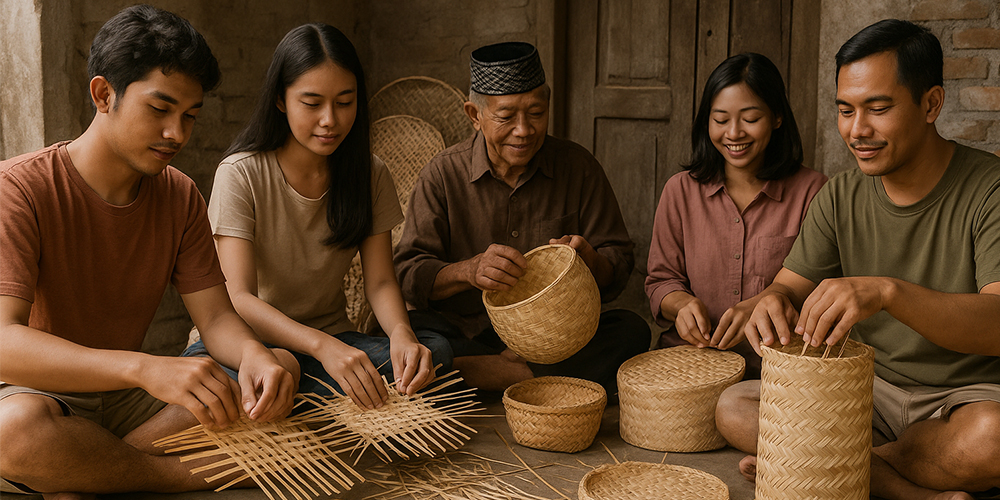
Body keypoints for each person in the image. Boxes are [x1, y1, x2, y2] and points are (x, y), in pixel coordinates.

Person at [0, 5, 299, 498]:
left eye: (190, 116)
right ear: (103, 94)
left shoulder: (179, 195)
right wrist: (143, 367)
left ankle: (91, 471)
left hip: (125, 403)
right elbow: (5, 343)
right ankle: (165, 476)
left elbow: (218, 320)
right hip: (39, 396)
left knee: (280, 367)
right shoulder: (20, 188)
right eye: (160, 110)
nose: (177, 134)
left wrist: (253, 357)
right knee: (15, 432)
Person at [715, 19, 1000, 500]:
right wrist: (771, 301)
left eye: (878, 108)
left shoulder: (989, 188)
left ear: (931, 104)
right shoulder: (840, 195)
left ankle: (822, 468)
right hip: (865, 393)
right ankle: (911, 491)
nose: (857, 130)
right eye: (845, 110)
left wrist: (888, 292)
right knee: (735, 406)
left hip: (964, 399)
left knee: (992, 440)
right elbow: (786, 287)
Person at [183, 23, 452, 411]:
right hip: (250, 344)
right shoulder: (240, 173)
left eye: (345, 102)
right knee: (246, 376)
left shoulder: (370, 173)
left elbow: (379, 281)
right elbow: (238, 298)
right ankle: (303, 393)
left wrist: (401, 335)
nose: (330, 119)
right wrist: (322, 346)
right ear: (280, 100)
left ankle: (295, 398)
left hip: (333, 341)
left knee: (433, 351)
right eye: (312, 103)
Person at [394, 41, 650, 394]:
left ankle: (490, 376)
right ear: (474, 115)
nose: (524, 130)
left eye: (536, 112)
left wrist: (586, 259)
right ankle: (537, 380)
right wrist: (469, 270)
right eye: (506, 116)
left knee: (631, 330)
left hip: (554, 339)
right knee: (420, 343)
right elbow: (408, 273)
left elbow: (618, 265)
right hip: (464, 331)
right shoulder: (442, 175)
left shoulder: (578, 167)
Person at [645, 53, 827, 379]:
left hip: (774, 372)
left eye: (750, 118)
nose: (734, 133)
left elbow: (817, 287)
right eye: (720, 119)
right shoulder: (680, 191)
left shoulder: (813, 192)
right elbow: (661, 280)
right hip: (689, 365)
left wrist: (763, 306)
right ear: (706, 122)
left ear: (777, 118)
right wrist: (682, 305)